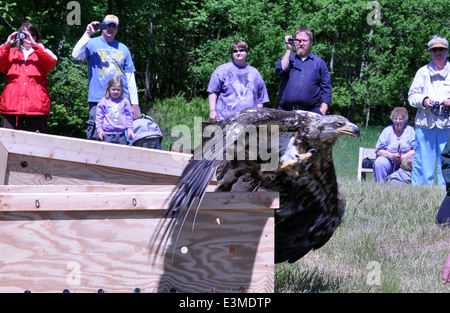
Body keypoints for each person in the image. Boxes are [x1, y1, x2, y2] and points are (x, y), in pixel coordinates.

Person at [71, 15, 141, 140]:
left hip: (121, 101)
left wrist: (135, 104)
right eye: (108, 25)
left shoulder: (123, 48)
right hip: (98, 99)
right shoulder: (92, 43)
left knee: (121, 137)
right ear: (102, 26)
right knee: (96, 135)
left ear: (117, 29)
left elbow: (130, 77)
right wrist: (87, 34)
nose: (110, 29)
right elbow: (76, 55)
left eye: (114, 26)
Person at [0, 22, 57, 133]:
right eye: (24, 35)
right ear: (19, 36)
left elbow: (52, 61)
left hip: (36, 106)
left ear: (36, 37)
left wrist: (35, 45)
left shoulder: (41, 52)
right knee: (7, 143)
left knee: (38, 144)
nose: (28, 38)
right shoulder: (10, 52)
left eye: (32, 34)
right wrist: (7, 44)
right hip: (12, 105)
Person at [408, 35, 450, 186]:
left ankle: (447, 194)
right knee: (422, 162)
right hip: (425, 124)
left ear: (447, 52)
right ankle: (421, 193)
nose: (438, 53)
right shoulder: (422, 72)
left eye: (441, 50)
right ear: (430, 52)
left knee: (447, 162)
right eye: (434, 50)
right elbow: (412, 96)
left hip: (447, 126)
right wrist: (424, 101)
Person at [207, 40, 269, 123]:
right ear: (232, 54)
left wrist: (257, 115)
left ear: (246, 52)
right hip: (224, 119)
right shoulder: (222, 70)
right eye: (235, 51)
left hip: (249, 121)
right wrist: (212, 111)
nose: (238, 53)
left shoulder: (254, 73)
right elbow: (213, 91)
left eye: (241, 50)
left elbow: (261, 98)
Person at [275, 26, 332, 115]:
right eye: (298, 40)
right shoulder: (288, 58)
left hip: (311, 111)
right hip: (286, 110)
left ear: (310, 42)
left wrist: (324, 107)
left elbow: (326, 87)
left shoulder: (319, 63)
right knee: (272, 129)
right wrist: (289, 49)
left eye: (304, 41)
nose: (301, 43)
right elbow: (281, 69)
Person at [373, 107, 415, 183]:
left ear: (405, 120)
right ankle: (380, 187)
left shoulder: (410, 130)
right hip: (389, 160)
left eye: (400, 119)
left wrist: (403, 157)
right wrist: (391, 156)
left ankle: (411, 186)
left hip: (406, 161)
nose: (398, 121)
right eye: (395, 119)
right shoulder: (387, 130)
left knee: (415, 163)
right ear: (392, 119)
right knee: (379, 163)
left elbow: (416, 150)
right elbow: (378, 150)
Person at [95, 76, 134, 145]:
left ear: (122, 90)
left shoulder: (125, 102)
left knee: (121, 154)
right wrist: (99, 129)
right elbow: (99, 117)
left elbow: (129, 116)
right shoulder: (103, 102)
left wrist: (130, 129)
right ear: (108, 89)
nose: (116, 92)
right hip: (106, 134)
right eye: (113, 89)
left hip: (121, 135)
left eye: (118, 90)